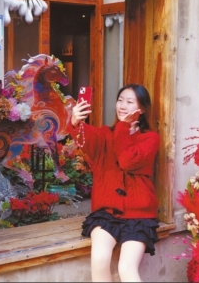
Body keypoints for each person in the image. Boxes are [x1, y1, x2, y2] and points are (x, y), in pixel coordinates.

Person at [68, 84, 161, 282]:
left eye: (129, 102)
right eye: (120, 100)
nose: (122, 106)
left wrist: (123, 127)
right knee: (100, 260)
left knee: (126, 268)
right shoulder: (104, 134)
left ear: (142, 109)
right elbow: (84, 137)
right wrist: (75, 121)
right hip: (106, 212)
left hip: (138, 215)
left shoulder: (150, 138)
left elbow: (127, 161)